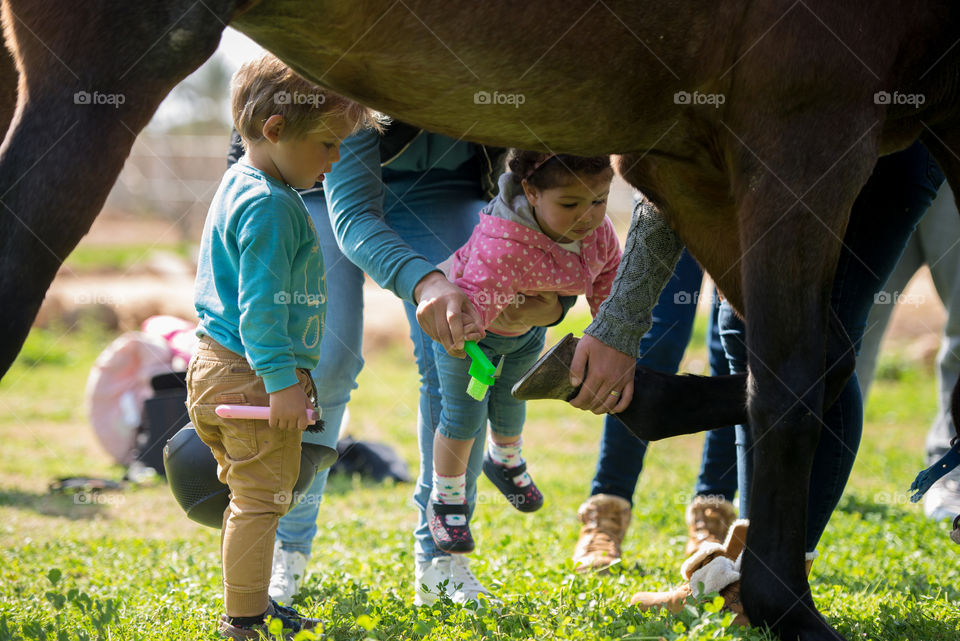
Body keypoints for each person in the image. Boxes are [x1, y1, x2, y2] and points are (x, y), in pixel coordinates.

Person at [565, 141, 942, 591]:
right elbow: (665, 172)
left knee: (818, 343)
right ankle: (748, 564)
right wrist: (620, 324)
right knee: (743, 330)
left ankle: (771, 578)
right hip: (786, 162)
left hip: (873, 158)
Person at [245, 121, 577, 605]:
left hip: (446, 187)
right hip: (315, 185)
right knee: (323, 363)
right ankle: (285, 545)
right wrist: (426, 281)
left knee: (463, 354)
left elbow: (557, 193)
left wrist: (556, 305)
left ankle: (441, 559)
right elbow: (355, 213)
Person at [186, 54, 380, 639]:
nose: (336, 159)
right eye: (327, 144)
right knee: (262, 501)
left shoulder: (241, 182)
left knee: (254, 496)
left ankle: (253, 606)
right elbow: (260, 308)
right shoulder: (270, 205)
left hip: (216, 366)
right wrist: (280, 383)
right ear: (275, 129)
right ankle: (244, 621)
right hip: (250, 375)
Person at [425, 151, 621, 556]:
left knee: (514, 403)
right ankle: (446, 500)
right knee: (464, 418)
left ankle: (505, 460)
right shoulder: (504, 243)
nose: (588, 215)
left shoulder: (598, 234)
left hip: (524, 332)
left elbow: (608, 276)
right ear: (531, 192)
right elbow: (475, 299)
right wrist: (469, 338)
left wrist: (607, 333)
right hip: (469, 335)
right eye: (570, 204)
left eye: (599, 200)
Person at [572, 248, 739, 572]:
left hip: (750, 212)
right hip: (683, 204)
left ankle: (713, 514)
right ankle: (607, 510)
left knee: (733, 353)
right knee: (654, 341)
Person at [854, 183, 960, 522]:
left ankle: (950, 469)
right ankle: (811, 466)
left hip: (951, 156)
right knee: (848, 323)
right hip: (886, 160)